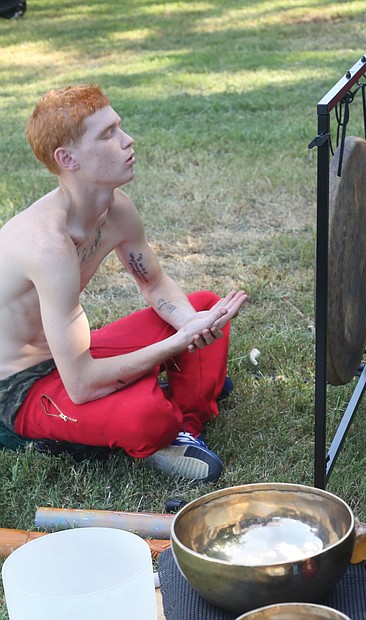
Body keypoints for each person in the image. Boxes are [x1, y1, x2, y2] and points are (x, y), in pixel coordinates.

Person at [0, 84, 247, 482]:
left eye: (120, 127)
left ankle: (181, 425)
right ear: (69, 159)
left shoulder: (115, 209)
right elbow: (80, 385)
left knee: (204, 307)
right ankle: (168, 411)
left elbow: (154, 283)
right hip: (19, 387)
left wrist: (188, 322)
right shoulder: (47, 243)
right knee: (144, 415)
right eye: (108, 134)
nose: (127, 140)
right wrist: (179, 343)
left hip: (71, 358)